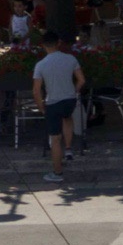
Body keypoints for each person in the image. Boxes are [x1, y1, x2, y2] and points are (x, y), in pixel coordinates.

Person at [32, 28, 86, 182]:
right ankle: (68, 149)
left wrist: (41, 106)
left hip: (53, 101)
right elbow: (81, 80)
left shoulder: (41, 65)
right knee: (67, 119)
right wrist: (73, 91)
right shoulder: (71, 59)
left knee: (55, 139)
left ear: (43, 45)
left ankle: (57, 173)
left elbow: (36, 90)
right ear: (59, 43)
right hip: (69, 99)